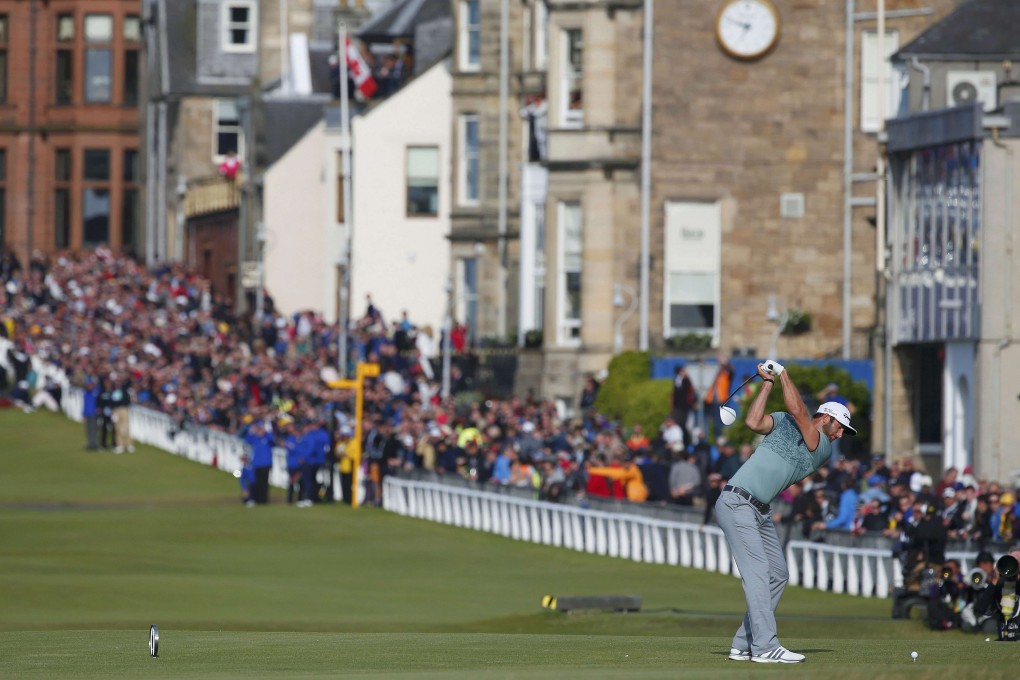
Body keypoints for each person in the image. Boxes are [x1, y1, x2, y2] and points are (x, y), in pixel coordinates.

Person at [715, 360, 855, 664]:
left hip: (759, 511)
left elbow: (800, 413)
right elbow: (753, 422)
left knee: (778, 574)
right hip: (737, 502)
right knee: (758, 574)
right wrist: (766, 382)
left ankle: (744, 643)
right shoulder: (784, 421)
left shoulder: (821, 447)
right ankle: (765, 647)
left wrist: (783, 374)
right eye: (841, 428)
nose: (841, 436)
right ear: (828, 419)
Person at [670, 364, 696, 447]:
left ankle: (686, 443)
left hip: (685, 408)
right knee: (679, 426)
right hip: (679, 408)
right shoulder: (677, 380)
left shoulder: (687, 381)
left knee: (687, 426)